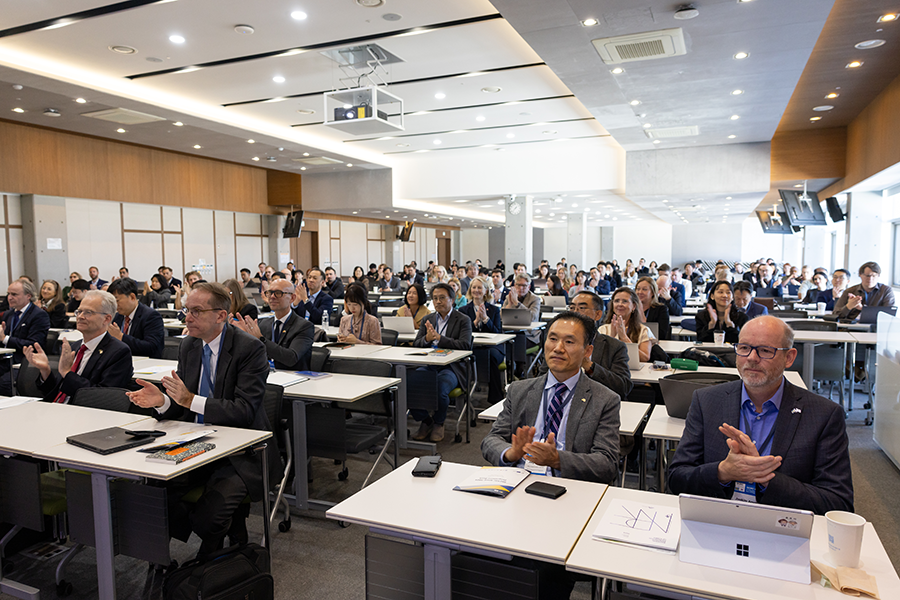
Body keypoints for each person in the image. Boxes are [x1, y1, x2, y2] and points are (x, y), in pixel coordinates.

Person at [127, 282, 274, 557]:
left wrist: (186, 399)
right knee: (153, 491)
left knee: (210, 515)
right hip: (197, 441)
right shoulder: (190, 345)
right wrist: (163, 401)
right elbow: (184, 405)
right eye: (186, 310)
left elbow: (243, 410)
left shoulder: (250, 349)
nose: (188, 317)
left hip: (240, 450)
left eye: (196, 311)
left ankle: (212, 554)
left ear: (221, 315)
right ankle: (213, 538)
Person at [667, 316, 853, 514]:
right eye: (744, 348)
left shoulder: (823, 415)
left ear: (789, 357)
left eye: (765, 350)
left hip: (784, 530)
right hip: (717, 521)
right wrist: (723, 472)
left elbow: (838, 503)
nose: (752, 358)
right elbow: (676, 478)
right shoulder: (706, 401)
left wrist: (765, 478)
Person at [482, 311, 620, 484]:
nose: (558, 348)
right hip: (519, 481)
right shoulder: (519, 390)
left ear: (587, 350)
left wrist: (557, 459)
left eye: (569, 342)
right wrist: (511, 453)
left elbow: (607, 463)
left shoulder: (605, 400)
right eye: (553, 339)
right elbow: (491, 440)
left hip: (569, 485)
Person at [26, 290, 132, 402]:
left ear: (106, 319)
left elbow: (102, 397)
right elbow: (57, 391)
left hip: (84, 413)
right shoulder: (75, 346)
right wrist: (45, 370)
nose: (80, 316)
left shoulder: (118, 352)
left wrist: (67, 373)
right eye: (79, 311)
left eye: (88, 312)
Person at [410, 283, 473, 442]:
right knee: (409, 384)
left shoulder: (463, 320)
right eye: (435, 298)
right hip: (430, 364)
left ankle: (439, 422)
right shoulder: (428, 319)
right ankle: (426, 421)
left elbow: (465, 345)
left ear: (452, 299)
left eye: (442, 298)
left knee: (440, 387)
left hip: (452, 367)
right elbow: (417, 344)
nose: (438, 302)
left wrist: (440, 339)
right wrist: (426, 339)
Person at [551, 291, 633, 401]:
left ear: (598, 314)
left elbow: (623, 388)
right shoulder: (557, 344)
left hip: (597, 402)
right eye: (572, 308)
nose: (575, 313)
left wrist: (589, 365)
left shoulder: (614, 346)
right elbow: (541, 379)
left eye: (582, 308)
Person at [233, 278, 315, 370]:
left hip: (293, 377)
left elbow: (291, 358)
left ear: (292, 298)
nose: (272, 296)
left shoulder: (304, 326)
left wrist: (260, 339)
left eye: (278, 293)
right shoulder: (264, 323)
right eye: (269, 293)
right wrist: (245, 335)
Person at [0, 279, 51, 395]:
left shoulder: (39, 315)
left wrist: (5, 339)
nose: (9, 297)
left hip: (25, 362)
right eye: (8, 294)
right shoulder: (9, 314)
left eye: (14, 294)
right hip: (6, 360)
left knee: (4, 384)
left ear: (28, 296)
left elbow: (33, 344)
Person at [460, 276, 504, 404]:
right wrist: (475, 322)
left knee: (490, 357)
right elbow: (463, 333)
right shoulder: (463, 311)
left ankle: (495, 399)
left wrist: (485, 319)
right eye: (474, 287)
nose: (476, 290)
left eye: (480, 287)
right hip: (473, 346)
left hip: (492, 347)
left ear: (485, 291)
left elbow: (497, 333)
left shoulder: (494, 310)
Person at [107, 277, 165, 359]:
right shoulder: (117, 317)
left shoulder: (151, 316)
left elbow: (151, 347)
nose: (115, 305)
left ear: (132, 297)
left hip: (145, 364)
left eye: (117, 301)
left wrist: (121, 337)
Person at [598, 287, 654, 362]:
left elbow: (645, 358)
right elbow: (598, 356)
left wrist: (624, 337)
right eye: (617, 301)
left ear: (634, 306)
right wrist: (612, 338)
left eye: (625, 301)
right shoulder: (603, 329)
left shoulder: (643, 330)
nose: (620, 304)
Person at [503, 273, 542, 346]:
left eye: (524, 285)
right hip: (510, 331)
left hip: (529, 335)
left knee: (516, 342)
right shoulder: (509, 297)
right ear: (514, 286)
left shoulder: (535, 299)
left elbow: (532, 317)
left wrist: (517, 303)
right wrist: (509, 305)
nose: (521, 288)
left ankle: (515, 358)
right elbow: (501, 317)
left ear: (529, 287)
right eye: (518, 285)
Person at [635, 276, 671, 341]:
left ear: (652, 292)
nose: (640, 292)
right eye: (638, 289)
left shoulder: (661, 309)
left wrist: (643, 318)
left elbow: (661, 334)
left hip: (653, 343)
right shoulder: (632, 308)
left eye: (644, 289)